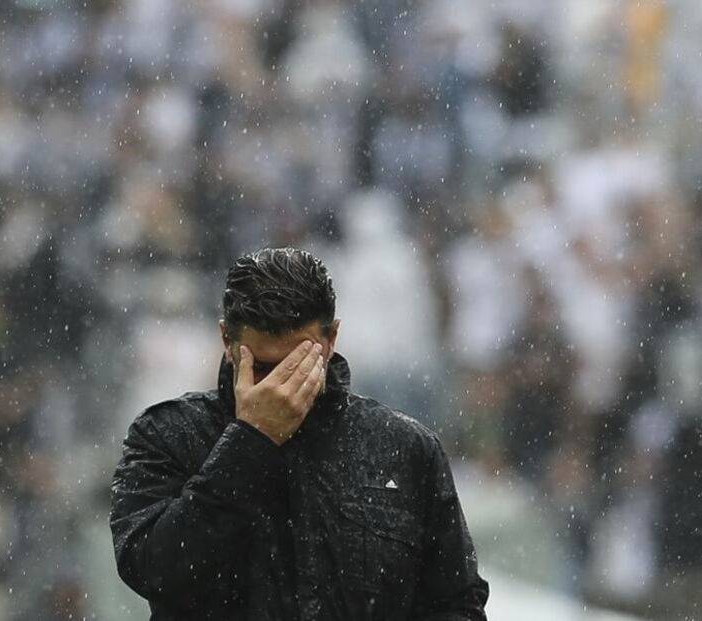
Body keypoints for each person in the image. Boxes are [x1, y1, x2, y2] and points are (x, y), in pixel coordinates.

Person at [110, 247, 490, 620]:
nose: (279, 385)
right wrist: (250, 440)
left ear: (332, 339)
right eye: (261, 367)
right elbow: (153, 571)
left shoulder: (403, 447)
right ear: (227, 341)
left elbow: (458, 603)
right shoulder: (167, 435)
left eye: (298, 362)